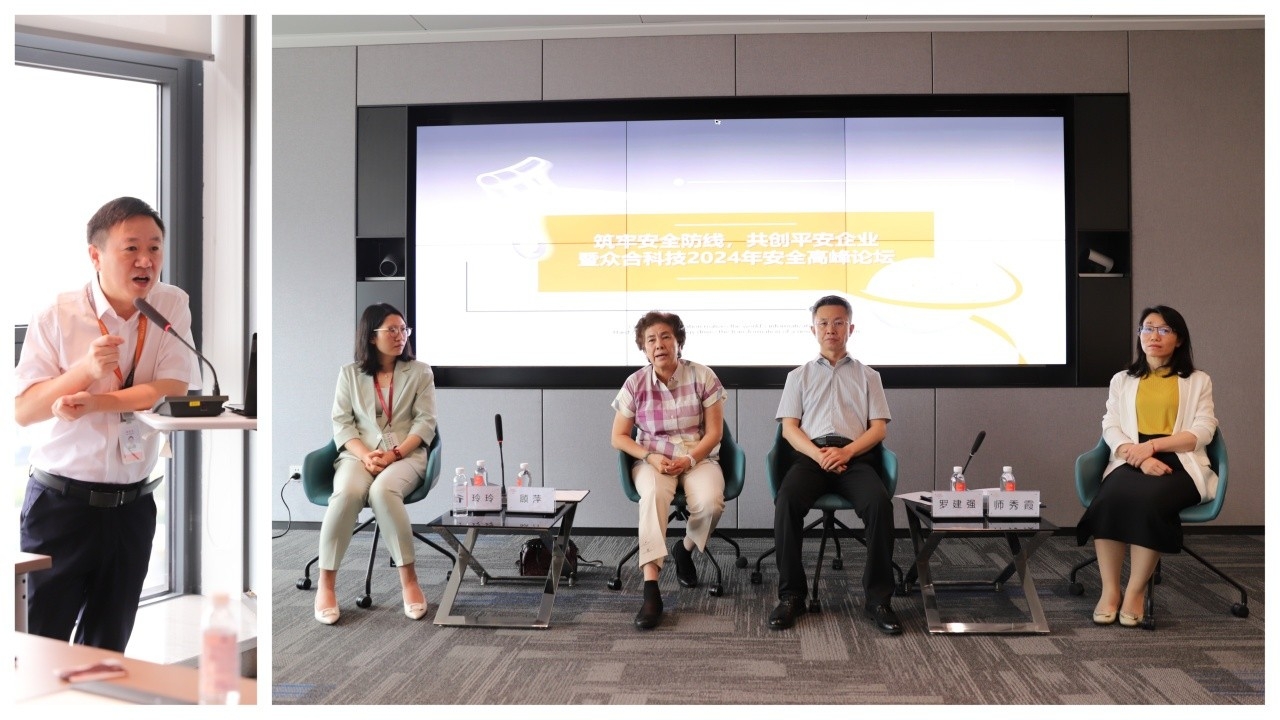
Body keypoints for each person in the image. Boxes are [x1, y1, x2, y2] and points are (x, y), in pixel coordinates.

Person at [16, 197, 201, 651]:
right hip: (61, 507)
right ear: (95, 255)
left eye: (155, 248)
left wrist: (97, 402)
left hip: (133, 508)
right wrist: (84, 371)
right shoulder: (57, 314)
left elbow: (172, 385)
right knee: (41, 647)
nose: (146, 261)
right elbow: (25, 410)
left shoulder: (170, 304)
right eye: (131, 248)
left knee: (107, 650)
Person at [1076, 305, 1217, 627]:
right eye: (1148, 328)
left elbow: (1203, 430)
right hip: (1131, 457)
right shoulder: (1122, 380)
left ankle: (1135, 591)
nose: (1154, 335)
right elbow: (1111, 425)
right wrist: (1135, 454)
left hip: (1180, 460)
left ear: (1179, 339)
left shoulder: (1198, 380)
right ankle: (1110, 591)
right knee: (1108, 499)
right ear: (1139, 334)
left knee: (1149, 501)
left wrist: (1152, 447)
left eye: (1164, 330)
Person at [769, 295, 902, 635]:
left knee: (879, 504)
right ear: (813, 329)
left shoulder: (869, 376)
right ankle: (791, 596)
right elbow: (789, 429)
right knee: (787, 501)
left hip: (854, 457)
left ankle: (878, 600)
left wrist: (846, 453)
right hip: (811, 457)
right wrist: (820, 456)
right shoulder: (798, 376)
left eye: (838, 323)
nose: (831, 329)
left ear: (850, 328)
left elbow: (878, 429)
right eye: (824, 323)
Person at [314, 303, 437, 625]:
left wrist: (393, 454)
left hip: (406, 454)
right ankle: (326, 585)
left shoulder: (420, 372)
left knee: (383, 492)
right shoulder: (349, 374)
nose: (400, 336)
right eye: (391, 330)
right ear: (371, 336)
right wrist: (366, 454)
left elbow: (425, 423)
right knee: (346, 493)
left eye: (403, 329)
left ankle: (409, 582)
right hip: (359, 454)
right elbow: (342, 423)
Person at [611, 311, 727, 630]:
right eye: (651, 340)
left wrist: (689, 459)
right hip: (654, 460)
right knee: (653, 497)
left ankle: (684, 548)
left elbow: (715, 433)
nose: (659, 344)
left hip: (696, 456)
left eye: (665, 337)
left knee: (711, 503)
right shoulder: (635, 383)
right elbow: (618, 436)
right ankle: (651, 588)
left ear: (678, 342)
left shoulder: (703, 376)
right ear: (644, 348)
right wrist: (649, 457)